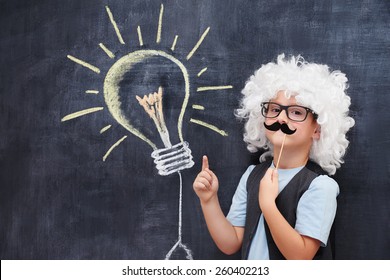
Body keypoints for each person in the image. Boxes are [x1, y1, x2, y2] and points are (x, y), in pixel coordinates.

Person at [192, 54, 355, 260]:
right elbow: (231, 242)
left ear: (318, 129)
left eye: (296, 112)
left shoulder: (320, 186)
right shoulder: (252, 175)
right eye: (275, 109)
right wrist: (209, 201)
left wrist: (268, 204)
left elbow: (301, 256)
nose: (281, 118)